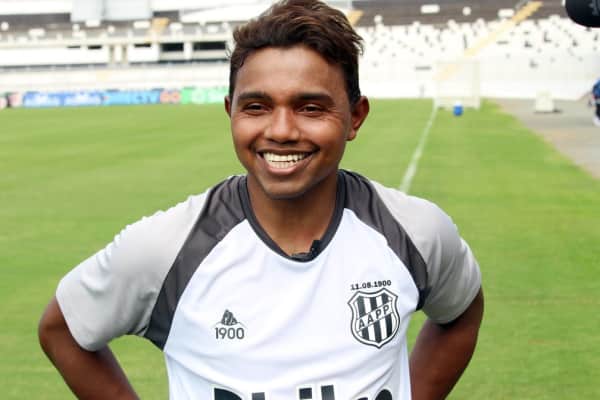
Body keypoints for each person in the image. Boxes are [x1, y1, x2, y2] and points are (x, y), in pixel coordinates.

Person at [38, 1, 484, 399]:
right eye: (256, 107)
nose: (281, 130)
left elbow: (461, 312)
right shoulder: (166, 249)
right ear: (230, 112)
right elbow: (62, 330)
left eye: (310, 107)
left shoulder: (415, 232)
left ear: (355, 116)